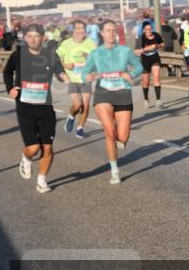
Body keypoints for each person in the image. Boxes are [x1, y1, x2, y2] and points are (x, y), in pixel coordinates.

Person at [3, 24, 68, 193]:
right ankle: (26, 157)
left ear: (43, 38)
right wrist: (10, 88)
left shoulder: (50, 55)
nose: (33, 39)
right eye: (30, 36)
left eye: (36, 36)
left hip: (45, 108)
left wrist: (63, 76)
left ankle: (42, 180)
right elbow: (7, 72)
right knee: (33, 148)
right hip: (25, 108)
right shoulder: (18, 55)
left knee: (48, 147)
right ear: (25, 38)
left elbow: (59, 71)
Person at [82, 20, 144, 185]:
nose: (110, 34)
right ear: (101, 33)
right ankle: (114, 170)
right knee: (109, 132)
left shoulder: (125, 51)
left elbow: (139, 67)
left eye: (113, 31)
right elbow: (85, 73)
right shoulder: (95, 53)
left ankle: (120, 140)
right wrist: (87, 77)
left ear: (116, 33)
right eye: (107, 31)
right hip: (103, 93)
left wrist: (130, 75)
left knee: (122, 136)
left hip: (123, 93)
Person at [56, 19, 97, 139]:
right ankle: (71, 116)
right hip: (72, 79)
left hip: (85, 79)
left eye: (83, 29)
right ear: (73, 30)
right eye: (78, 29)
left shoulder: (90, 43)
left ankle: (80, 128)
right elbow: (57, 58)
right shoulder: (66, 44)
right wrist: (65, 65)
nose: (80, 31)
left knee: (85, 105)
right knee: (77, 104)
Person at [135, 21, 164, 108]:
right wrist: (148, 48)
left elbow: (162, 43)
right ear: (144, 30)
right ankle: (146, 99)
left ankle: (158, 100)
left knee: (156, 77)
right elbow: (136, 51)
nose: (149, 31)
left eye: (150, 29)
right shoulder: (141, 38)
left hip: (155, 58)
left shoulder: (157, 35)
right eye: (147, 30)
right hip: (145, 60)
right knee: (146, 82)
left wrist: (158, 46)